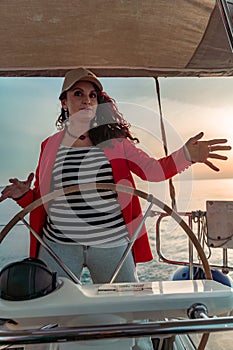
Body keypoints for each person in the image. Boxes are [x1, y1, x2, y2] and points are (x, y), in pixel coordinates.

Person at [0, 67, 231, 285]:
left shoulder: (116, 143)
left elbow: (153, 170)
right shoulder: (49, 146)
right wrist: (24, 195)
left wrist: (187, 155)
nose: (86, 101)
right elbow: (44, 199)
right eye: (78, 94)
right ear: (64, 102)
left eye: (92, 96)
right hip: (58, 244)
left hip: (110, 243)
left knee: (126, 311)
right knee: (53, 309)